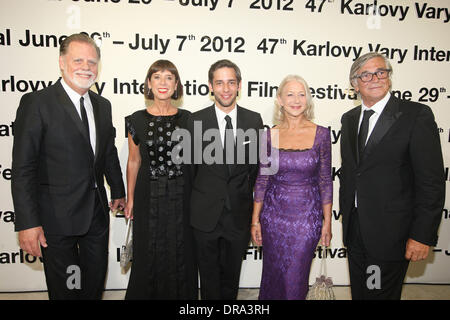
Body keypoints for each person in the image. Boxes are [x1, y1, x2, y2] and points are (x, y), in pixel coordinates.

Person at [11, 33, 126, 300]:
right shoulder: (37, 103)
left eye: (92, 62)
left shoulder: (103, 105)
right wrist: (27, 223)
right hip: (57, 221)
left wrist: (118, 191)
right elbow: (23, 168)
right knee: (67, 291)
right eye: (78, 60)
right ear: (62, 62)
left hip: (96, 217)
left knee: (93, 286)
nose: (86, 67)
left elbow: (107, 152)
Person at [339, 52, 445, 300]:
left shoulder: (415, 115)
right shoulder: (349, 119)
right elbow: (353, 172)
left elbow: (431, 182)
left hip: (391, 234)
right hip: (355, 231)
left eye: (381, 72)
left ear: (389, 77)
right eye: (366, 74)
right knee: (362, 294)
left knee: (379, 295)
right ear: (355, 83)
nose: (375, 78)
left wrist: (421, 235)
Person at [186, 59, 264, 300]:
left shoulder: (254, 120)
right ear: (210, 86)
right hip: (204, 215)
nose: (226, 88)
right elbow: (190, 171)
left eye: (231, 82)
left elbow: (256, 169)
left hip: (238, 215)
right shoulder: (195, 121)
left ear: (239, 85)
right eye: (219, 83)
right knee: (208, 280)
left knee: (231, 280)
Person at [251, 75, 333, 300]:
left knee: (295, 277)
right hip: (273, 218)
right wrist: (255, 220)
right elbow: (262, 180)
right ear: (279, 99)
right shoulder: (269, 135)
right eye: (290, 94)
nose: (296, 100)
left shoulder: (322, 134)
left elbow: (325, 180)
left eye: (301, 94)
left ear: (308, 99)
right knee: (273, 274)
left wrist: (327, 222)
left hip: (307, 219)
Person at [124, 60, 197, 300]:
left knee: (181, 251)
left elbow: (196, 163)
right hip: (148, 195)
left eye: (169, 77)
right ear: (149, 83)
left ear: (176, 85)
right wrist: (130, 197)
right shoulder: (135, 119)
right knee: (148, 251)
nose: (163, 83)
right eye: (157, 77)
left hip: (182, 196)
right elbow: (134, 161)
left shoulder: (189, 119)